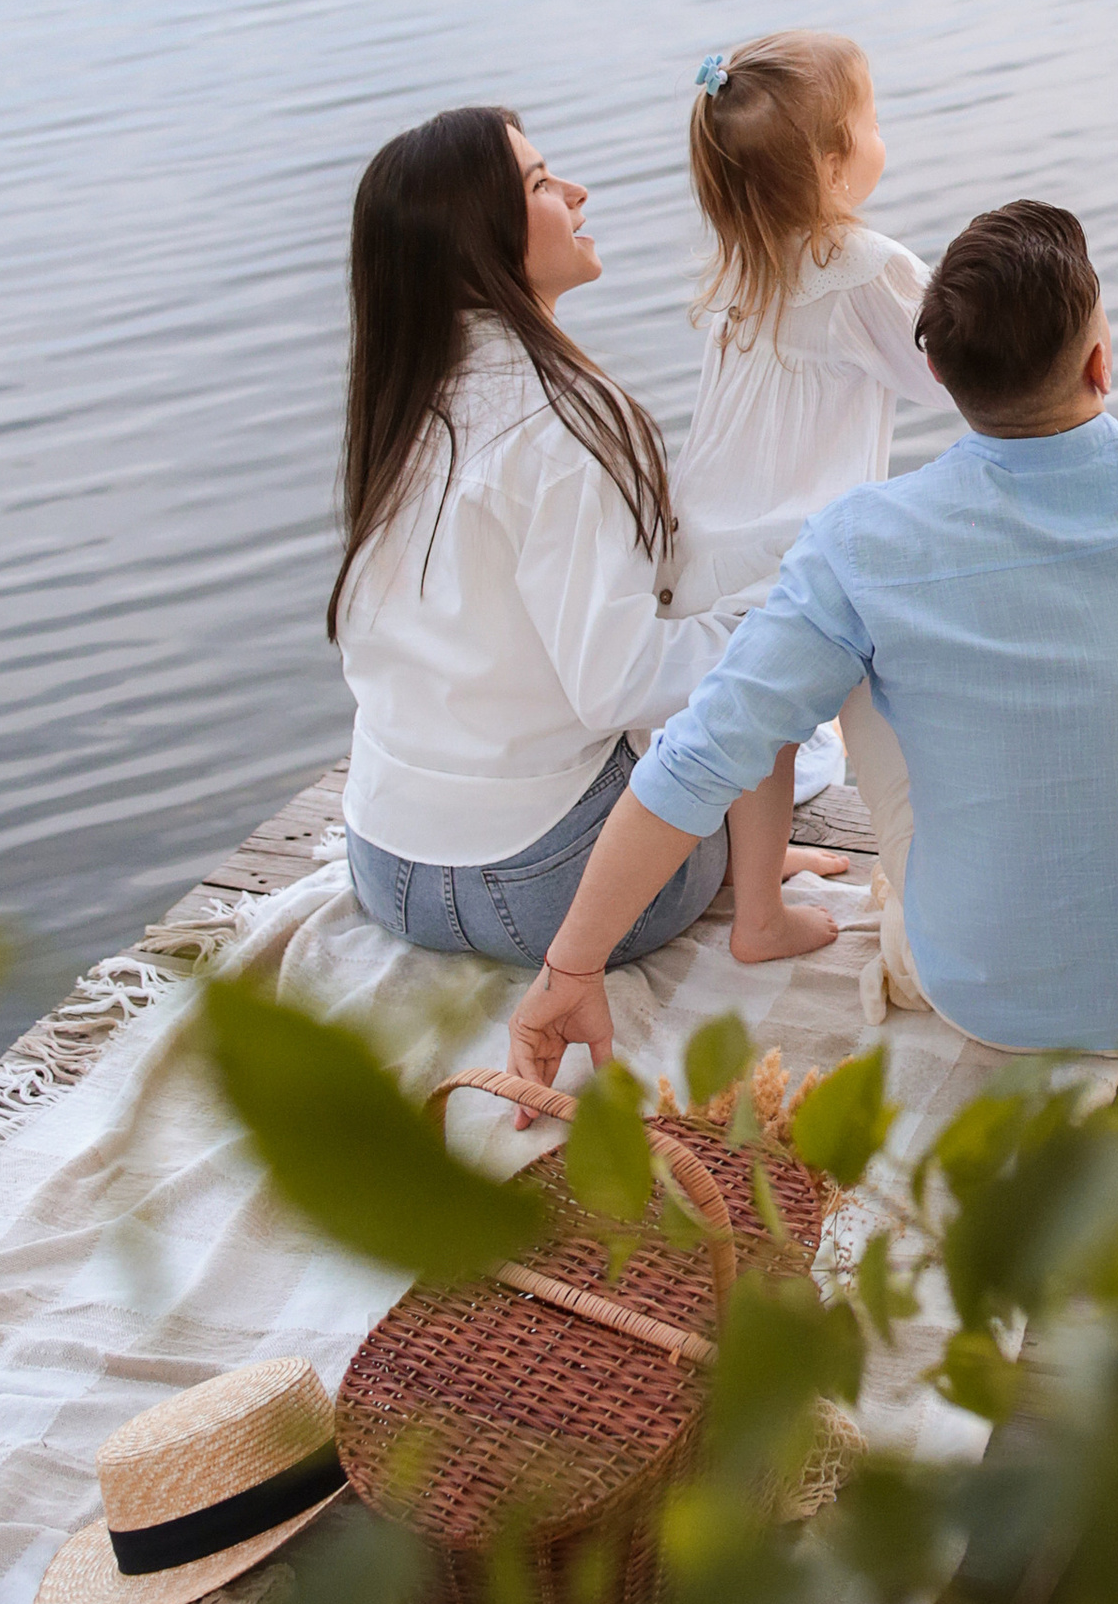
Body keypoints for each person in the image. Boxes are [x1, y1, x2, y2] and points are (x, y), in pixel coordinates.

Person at [508, 17, 1118, 1081]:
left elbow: (698, 760)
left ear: (943, 376)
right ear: (1100, 363)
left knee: (845, 647)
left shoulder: (860, 544)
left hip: (980, 993)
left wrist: (570, 969)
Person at [331, 105, 829, 977]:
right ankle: (749, 886)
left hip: (385, 864)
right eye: (539, 183)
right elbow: (622, 683)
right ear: (477, 237)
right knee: (768, 637)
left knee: (731, 611)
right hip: (541, 890)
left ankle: (725, 851)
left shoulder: (403, 402)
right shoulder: (563, 421)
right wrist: (775, 621)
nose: (576, 191)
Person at [669, 31, 947, 965]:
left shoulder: (742, 263)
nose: (880, 133)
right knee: (809, 709)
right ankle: (761, 918)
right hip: (789, 547)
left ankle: (759, 864)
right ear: (833, 162)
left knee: (762, 730)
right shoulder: (862, 265)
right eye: (870, 119)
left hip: (707, 540)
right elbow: (955, 369)